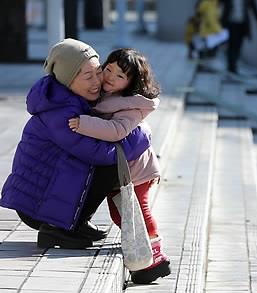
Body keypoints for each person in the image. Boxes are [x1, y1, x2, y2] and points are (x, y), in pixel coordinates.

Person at [0, 39, 151, 249]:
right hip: (35, 206)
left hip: (47, 194)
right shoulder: (60, 112)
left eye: (99, 72)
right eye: (88, 76)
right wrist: (139, 137)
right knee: (111, 164)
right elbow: (98, 153)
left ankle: (76, 222)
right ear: (67, 80)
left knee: (112, 158)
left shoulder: (73, 100)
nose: (97, 81)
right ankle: (58, 229)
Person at [68, 48, 170, 284]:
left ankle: (155, 252)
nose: (110, 78)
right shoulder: (105, 97)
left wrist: (84, 123)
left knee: (138, 211)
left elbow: (117, 131)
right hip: (121, 171)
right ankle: (141, 245)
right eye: (108, 69)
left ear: (132, 84)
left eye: (120, 76)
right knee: (119, 214)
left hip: (136, 173)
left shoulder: (132, 106)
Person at [220, 0, 257, 73]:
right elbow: (218, 2)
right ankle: (231, 66)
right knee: (231, 44)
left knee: (238, 44)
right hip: (230, 24)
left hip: (242, 24)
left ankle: (233, 63)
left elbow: (253, 5)